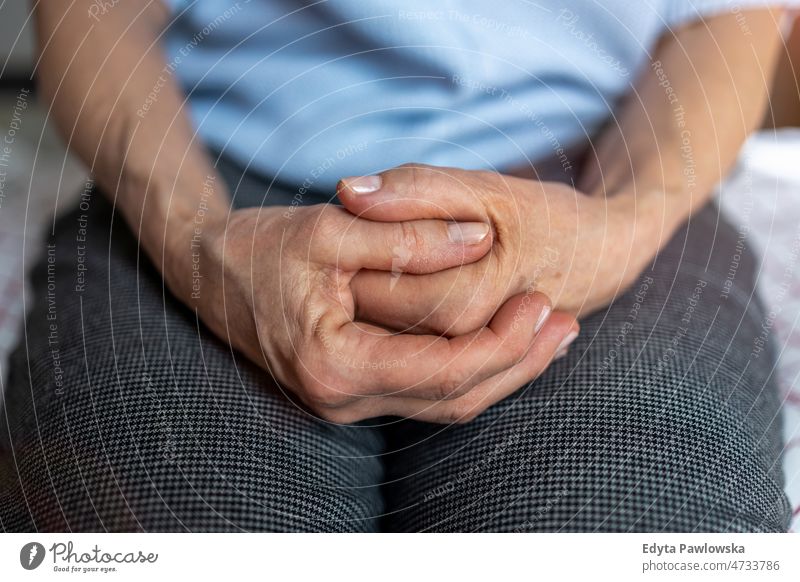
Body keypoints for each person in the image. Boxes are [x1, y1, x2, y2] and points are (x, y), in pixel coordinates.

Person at [0, 1, 794, 532]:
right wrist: (196, 238)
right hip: (200, 162)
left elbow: (729, 16)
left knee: (655, 522)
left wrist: (621, 224)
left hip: (599, 165)